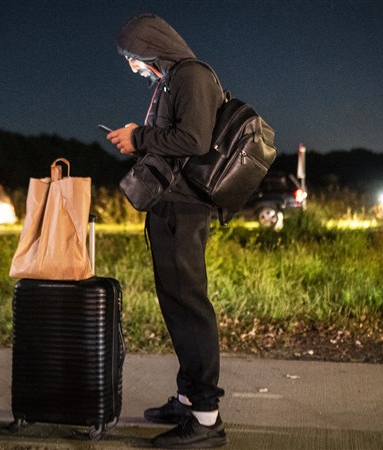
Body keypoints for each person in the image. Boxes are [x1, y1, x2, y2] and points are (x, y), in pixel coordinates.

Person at [106, 14, 227, 449]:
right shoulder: (172, 79)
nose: (133, 66)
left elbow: (194, 140)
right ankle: (188, 399)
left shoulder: (191, 76)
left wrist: (138, 138)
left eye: (133, 57)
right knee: (177, 306)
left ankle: (207, 421)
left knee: (190, 308)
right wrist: (140, 137)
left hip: (186, 209)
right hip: (170, 206)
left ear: (152, 47)